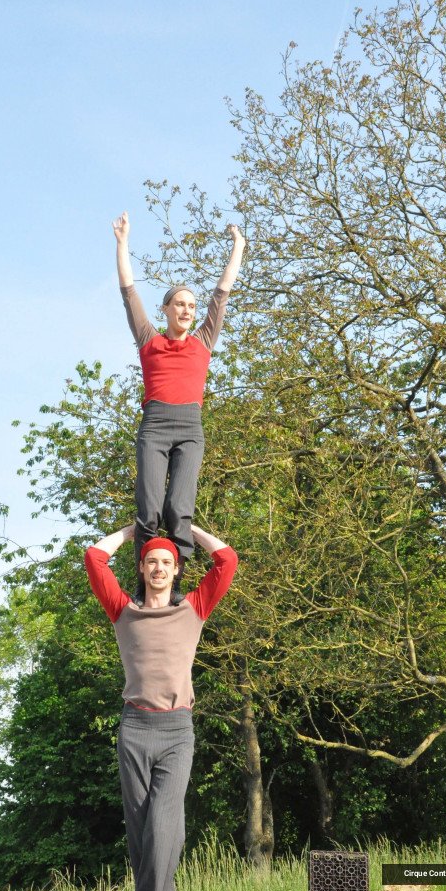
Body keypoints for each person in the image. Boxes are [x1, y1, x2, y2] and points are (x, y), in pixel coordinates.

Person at [84, 522, 238, 891]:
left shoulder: (194, 608)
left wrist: (188, 528)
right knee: (142, 839)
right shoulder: (122, 609)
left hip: (176, 732)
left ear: (177, 571)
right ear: (142, 568)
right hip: (134, 729)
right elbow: (95, 558)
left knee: (164, 829)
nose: (158, 567)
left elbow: (226, 560)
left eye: (167, 562)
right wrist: (134, 530)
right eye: (151, 561)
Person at [112, 211, 245, 602]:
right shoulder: (148, 340)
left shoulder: (203, 340)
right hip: (154, 426)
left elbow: (221, 293)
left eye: (191, 305)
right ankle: (143, 589)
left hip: (190, 427)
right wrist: (122, 243)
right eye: (179, 304)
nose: (187, 310)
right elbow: (129, 292)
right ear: (166, 310)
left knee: (178, 509)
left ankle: (175, 589)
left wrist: (238, 246)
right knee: (149, 509)